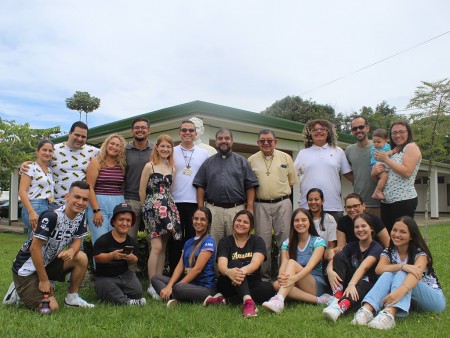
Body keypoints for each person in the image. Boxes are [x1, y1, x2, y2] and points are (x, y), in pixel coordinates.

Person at [11, 181, 95, 311]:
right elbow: (34, 248)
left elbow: (77, 240)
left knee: (81, 257)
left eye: (85, 199)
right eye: (77, 197)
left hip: (46, 264)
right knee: (52, 307)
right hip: (26, 270)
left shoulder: (80, 215)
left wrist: (72, 251)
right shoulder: (51, 216)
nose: (80, 202)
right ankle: (16, 291)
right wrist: (44, 280)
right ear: (67, 197)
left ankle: (72, 298)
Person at [352, 216, 446, 330]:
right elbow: (379, 269)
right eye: (395, 230)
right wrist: (403, 266)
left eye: (403, 232)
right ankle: (367, 310)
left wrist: (398, 293)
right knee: (389, 273)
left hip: (434, 300)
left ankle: (389, 314)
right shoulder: (389, 251)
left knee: (403, 273)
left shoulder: (420, 253)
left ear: (411, 236)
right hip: (412, 297)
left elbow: (415, 275)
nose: (397, 234)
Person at [193, 128, 259, 246]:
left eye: (227, 138)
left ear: (232, 141)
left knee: (236, 244)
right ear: (216, 142)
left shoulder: (242, 162)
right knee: (212, 245)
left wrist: (249, 209)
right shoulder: (208, 162)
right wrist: (201, 209)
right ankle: (214, 266)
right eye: (220, 139)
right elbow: (200, 185)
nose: (223, 141)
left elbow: (250, 186)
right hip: (213, 210)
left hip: (237, 210)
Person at [248, 129, 298, 281]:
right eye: (262, 140)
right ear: (258, 143)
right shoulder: (251, 160)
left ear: (275, 142)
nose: (266, 143)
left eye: (269, 140)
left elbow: (291, 181)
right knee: (263, 242)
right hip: (260, 204)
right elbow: (249, 186)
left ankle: (283, 276)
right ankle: (264, 277)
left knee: (285, 240)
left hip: (282, 203)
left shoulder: (286, 157)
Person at [204, 210, 275, 318]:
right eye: (238, 220)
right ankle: (248, 302)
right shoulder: (225, 241)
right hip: (228, 282)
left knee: (269, 290)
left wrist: (239, 273)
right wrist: (229, 272)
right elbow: (222, 265)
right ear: (233, 223)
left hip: (251, 281)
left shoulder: (257, 241)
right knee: (235, 263)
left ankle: (224, 301)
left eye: (245, 222)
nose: (241, 224)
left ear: (251, 226)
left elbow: (256, 263)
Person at [262, 208, 331, 314]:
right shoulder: (287, 243)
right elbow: (283, 264)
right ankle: (320, 300)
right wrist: (281, 277)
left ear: (309, 222)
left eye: (304, 220)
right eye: (296, 220)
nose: (300, 223)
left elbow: (309, 267)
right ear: (292, 223)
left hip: (315, 283)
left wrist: (294, 278)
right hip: (295, 281)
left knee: (292, 263)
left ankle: (279, 299)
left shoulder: (318, 242)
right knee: (277, 285)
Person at [140, 134, 182, 299]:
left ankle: (158, 284)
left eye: (168, 147)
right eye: (162, 146)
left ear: (171, 150)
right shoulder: (149, 166)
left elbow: (169, 190)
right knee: (156, 247)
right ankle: (151, 284)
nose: (165, 149)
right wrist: (146, 210)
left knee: (163, 247)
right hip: (152, 209)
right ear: (157, 147)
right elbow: (142, 191)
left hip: (168, 208)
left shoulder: (172, 168)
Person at [19, 121, 99, 207]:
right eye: (77, 135)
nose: (80, 139)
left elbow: (111, 154)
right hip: (56, 205)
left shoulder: (93, 151)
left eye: (83, 137)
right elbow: (39, 163)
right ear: (69, 134)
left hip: (80, 205)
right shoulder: (54, 150)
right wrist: (25, 164)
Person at [322, 213, 383, 322]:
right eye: (357, 227)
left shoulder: (377, 248)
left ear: (371, 228)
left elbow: (364, 267)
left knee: (364, 283)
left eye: (363, 226)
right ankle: (336, 298)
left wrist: (351, 284)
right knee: (339, 256)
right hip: (352, 284)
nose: (360, 229)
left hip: (367, 286)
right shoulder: (351, 245)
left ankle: (339, 308)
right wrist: (329, 270)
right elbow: (337, 258)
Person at [152, 207, 216, 307]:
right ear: (192, 220)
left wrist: (176, 286)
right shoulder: (188, 242)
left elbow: (197, 269)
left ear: (208, 223)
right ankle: (176, 297)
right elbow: (179, 266)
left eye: (203, 219)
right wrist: (169, 286)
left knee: (178, 288)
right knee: (155, 278)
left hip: (204, 288)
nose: (198, 222)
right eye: (196, 219)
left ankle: (175, 296)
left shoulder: (209, 241)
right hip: (188, 285)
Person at [168, 120, 208, 275]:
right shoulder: (171, 151)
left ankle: (191, 274)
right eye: (184, 130)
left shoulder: (203, 154)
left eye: (191, 130)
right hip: (174, 203)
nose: (187, 133)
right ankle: (173, 274)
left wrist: (201, 205)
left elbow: (204, 180)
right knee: (175, 241)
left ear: (195, 134)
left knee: (193, 240)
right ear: (179, 133)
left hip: (194, 203)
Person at [294, 119, 353, 222]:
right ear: (310, 134)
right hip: (308, 206)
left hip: (333, 205)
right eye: (315, 129)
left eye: (322, 129)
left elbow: (348, 174)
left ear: (328, 132)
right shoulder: (303, 153)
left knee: (334, 238)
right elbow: (292, 175)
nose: (319, 131)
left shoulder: (338, 151)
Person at [372, 121, 422, 232]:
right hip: (386, 201)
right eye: (394, 133)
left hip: (403, 200)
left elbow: (407, 172)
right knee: (390, 237)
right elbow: (381, 178)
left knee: (402, 236)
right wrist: (374, 172)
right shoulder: (393, 151)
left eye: (401, 132)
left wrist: (386, 159)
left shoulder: (411, 147)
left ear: (408, 132)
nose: (397, 135)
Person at [93, 203, 145, 306]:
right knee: (106, 287)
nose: (124, 223)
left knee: (137, 291)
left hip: (124, 274)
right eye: (121, 219)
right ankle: (127, 302)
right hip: (105, 276)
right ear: (114, 222)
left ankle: (119, 293)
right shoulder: (103, 240)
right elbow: (97, 258)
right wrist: (111, 256)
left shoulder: (132, 241)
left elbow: (135, 259)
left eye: (128, 220)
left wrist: (130, 258)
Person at [86, 133, 127, 245]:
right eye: (112, 143)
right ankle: (100, 263)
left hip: (118, 204)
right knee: (101, 241)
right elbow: (89, 187)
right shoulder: (96, 161)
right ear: (106, 144)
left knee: (117, 241)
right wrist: (96, 210)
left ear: (121, 149)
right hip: (99, 204)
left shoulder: (122, 164)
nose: (114, 147)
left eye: (118, 145)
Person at [334, 193, 390, 259]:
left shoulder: (374, 220)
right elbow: (341, 247)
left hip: (375, 255)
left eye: (355, 206)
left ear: (363, 206)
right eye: (348, 207)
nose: (352, 210)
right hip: (353, 257)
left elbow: (388, 245)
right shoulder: (342, 221)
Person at [124, 117, 154, 240]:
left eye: (143, 127)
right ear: (132, 131)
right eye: (137, 127)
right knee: (128, 240)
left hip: (152, 201)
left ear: (149, 131)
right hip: (131, 201)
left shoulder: (156, 149)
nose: (140, 130)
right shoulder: (124, 150)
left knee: (153, 242)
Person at [345, 116, 380, 217]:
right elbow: (345, 171)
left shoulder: (378, 146)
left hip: (380, 203)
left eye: (361, 127)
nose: (358, 130)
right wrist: (357, 180)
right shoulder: (349, 150)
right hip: (358, 204)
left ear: (367, 128)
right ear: (352, 132)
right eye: (354, 129)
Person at [19, 139, 55, 234]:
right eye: (44, 150)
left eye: (50, 151)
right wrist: (31, 211)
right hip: (35, 206)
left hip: (49, 205)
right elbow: (22, 191)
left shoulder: (49, 170)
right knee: (38, 239)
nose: (47, 153)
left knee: (44, 241)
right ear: (37, 151)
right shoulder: (30, 167)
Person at [306, 188, 337, 260]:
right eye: (310, 200)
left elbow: (331, 246)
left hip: (324, 258)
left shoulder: (329, 219)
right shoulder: (304, 219)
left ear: (322, 201)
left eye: (316, 199)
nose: (313, 202)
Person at [370, 128, 395, 200]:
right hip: (377, 164)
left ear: (386, 140)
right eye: (374, 142)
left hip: (385, 164)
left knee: (388, 177)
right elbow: (378, 157)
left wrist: (389, 152)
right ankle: (377, 191)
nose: (376, 144)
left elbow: (392, 151)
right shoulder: (374, 149)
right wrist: (388, 154)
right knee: (384, 177)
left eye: (378, 142)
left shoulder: (388, 146)